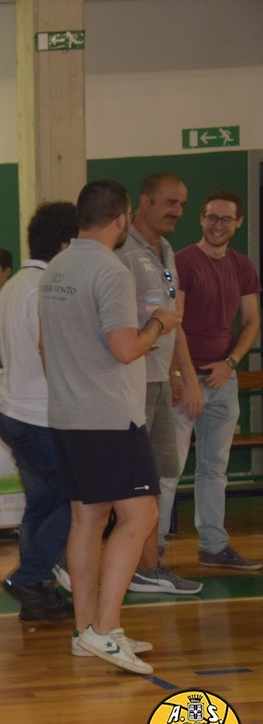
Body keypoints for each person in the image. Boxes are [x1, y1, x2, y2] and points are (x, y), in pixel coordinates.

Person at [39, 179, 181, 675]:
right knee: (141, 515)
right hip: (108, 418)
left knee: (89, 518)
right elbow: (125, 348)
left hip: (68, 415)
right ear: (122, 218)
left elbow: (44, 347)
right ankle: (104, 628)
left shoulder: (57, 267)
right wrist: (159, 323)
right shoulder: (110, 270)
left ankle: (88, 632)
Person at [158, 191, 262, 570]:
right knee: (168, 472)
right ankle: (152, 552)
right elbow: (174, 322)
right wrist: (184, 377)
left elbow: (251, 321)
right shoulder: (179, 263)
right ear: (201, 219)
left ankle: (214, 546)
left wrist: (230, 364)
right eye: (212, 217)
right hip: (184, 382)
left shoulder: (243, 267)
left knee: (215, 470)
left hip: (222, 382)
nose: (218, 225)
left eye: (226, 219)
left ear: (238, 224)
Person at [115, 173, 204, 594]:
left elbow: (173, 321)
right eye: (170, 202)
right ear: (144, 202)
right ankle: (140, 566)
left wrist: (182, 373)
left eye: (182, 204)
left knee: (159, 478)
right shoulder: (121, 253)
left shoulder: (166, 250)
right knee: (135, 483)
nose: (177, 211)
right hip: (133, 383)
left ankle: (149, 565)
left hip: (160, 381)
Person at [0, 203, 76, 621]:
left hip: (12, 411)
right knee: (78, 500)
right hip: (39, 417)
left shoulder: (13, 285)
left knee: (41, 505)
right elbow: (50, 353)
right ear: (64, 245)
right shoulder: (47, 288)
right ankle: (30, 577)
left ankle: (37, 597)